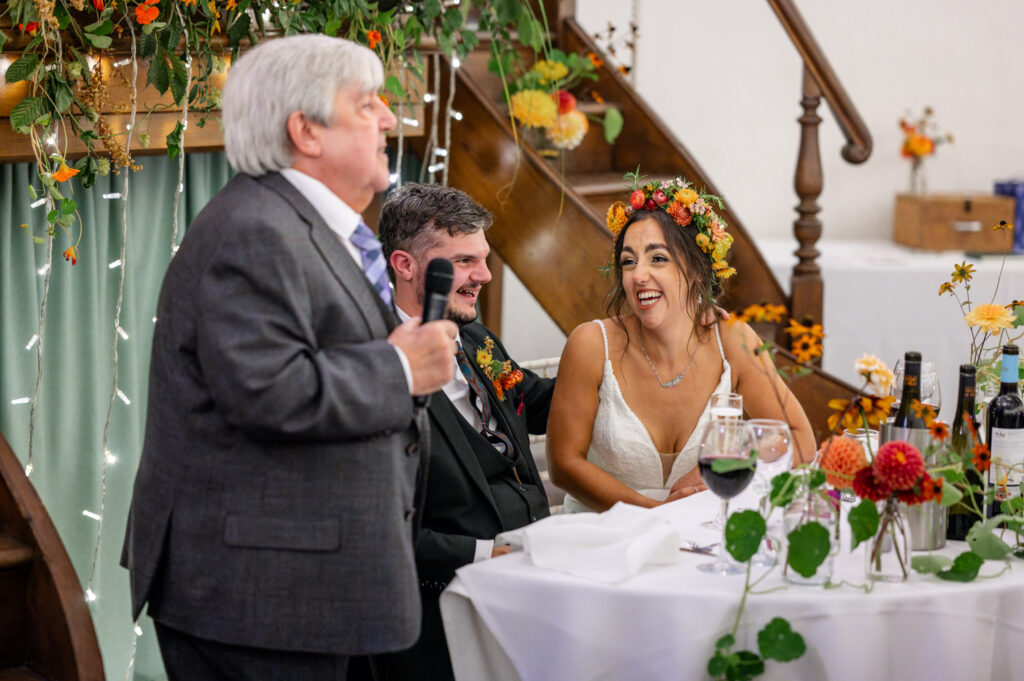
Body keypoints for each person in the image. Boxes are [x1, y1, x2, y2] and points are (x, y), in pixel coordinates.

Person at [120, 35, 458, 681]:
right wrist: (399, 368)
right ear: (305, 130)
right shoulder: (255, 230)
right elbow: (268, 389)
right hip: (260, 595)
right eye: (367, 105)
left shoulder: (300, 223)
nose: (389, 118)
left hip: (308, 586)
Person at [368, 183, 555, 681]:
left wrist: (616, 351)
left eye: (484, 259)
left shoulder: (472, 334)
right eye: (465, 261)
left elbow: (534, 403)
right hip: (439, 617)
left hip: (530, 587)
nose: (485, 276)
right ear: (405, 265)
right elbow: (379, 529)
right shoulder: (374, 362)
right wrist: (489, 552)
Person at [547, 177, 814, 512]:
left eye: (657, 258)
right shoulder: (591, 344)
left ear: (697, 270)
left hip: (696, 539)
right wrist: (653, 513)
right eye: (629, 261)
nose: (638, 275)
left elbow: (800, 440)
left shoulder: (732, 340)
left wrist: (731, 463)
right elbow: (563, 465)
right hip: (602, 533)